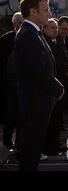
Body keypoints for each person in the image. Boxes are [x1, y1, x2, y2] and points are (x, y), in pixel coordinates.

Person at [14, 0, 64, 171]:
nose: (49, 13)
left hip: (38, 100)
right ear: (33, 12)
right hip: (35, 102)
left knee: (33, 149)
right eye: (45, 9)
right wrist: (58, 88)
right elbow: (38, 70)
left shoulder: (33, 32)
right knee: (31, 150)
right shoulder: (28, 34)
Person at [42, 19, 66, 155]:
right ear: (45, 29)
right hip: (51, 87)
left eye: (56, 28)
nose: (55, 30)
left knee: (56, 119)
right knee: (51, 120)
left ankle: (54, 144)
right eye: (52, 27)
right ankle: (50, 147)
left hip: (58, 86)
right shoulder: (44, 41)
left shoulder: (55, 41)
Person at [1, 12, 24, 150]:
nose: (22, 25)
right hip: (10, 83)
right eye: (20, 22)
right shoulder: (6, 39)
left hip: (24, 83)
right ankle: (7, 139)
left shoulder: (29, 37)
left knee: (22, 112)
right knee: (10, 112)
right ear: (14, 23)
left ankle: (19, 140)